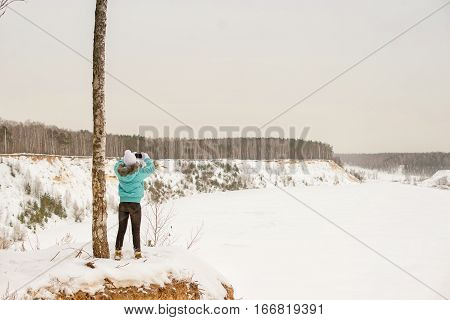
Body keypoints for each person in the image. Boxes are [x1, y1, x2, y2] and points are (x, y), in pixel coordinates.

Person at [113, 150, 155, 260]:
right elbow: (151, 168)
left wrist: (126, 158)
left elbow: (117, 165)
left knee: (121, 229)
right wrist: (146, 157)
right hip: (135, 205)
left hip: (123, 204)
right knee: (136, 229)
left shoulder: (119, 172)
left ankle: (118, 252)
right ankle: (137, 253)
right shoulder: (139, 173)